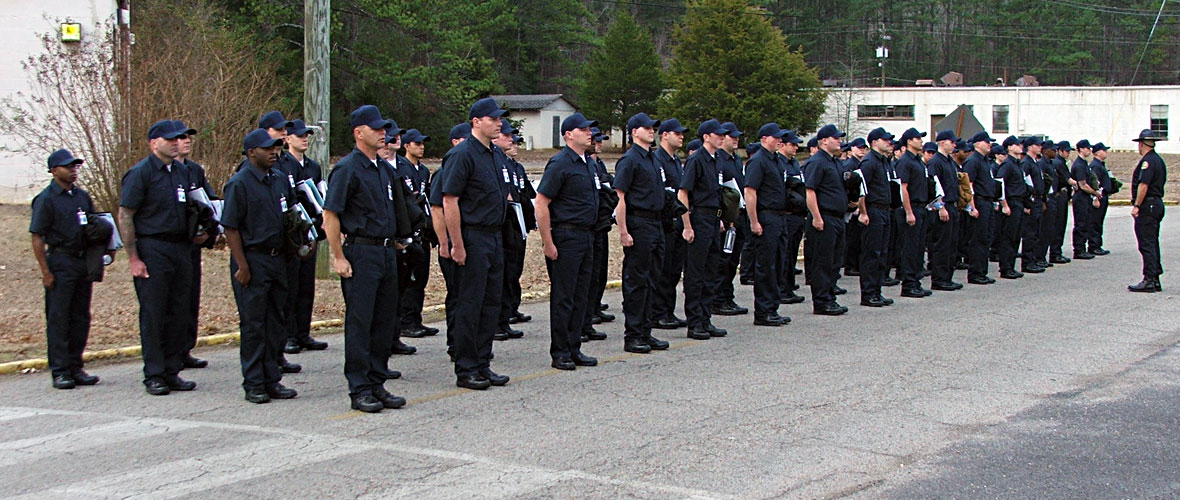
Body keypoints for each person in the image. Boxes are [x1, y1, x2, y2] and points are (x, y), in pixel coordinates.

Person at [322, 105, 409, 413]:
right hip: (361, 251)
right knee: (361, 321)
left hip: (385, 251)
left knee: (385, 320)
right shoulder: (348, 169)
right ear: (359, 132)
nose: (383, 132)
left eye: (384, 127)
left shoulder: (384, 170)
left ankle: (377, 381)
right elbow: (330, 215)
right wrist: (338, 257)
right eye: (376, 128)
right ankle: (359, 388)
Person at [119, 120, 207, 395]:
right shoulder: (141, 173)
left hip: (180, 248)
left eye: (178, 138)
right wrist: (134, 258)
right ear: (154, 143)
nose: (175, 142)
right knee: (155, 313)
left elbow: (196, 206)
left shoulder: (181, 172)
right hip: (153, 248)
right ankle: (154, 374)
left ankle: (172, 369)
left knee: (178, 311)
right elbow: (126, 214)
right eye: (169, 139)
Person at [221, 129, 300, 404]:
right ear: (251, 151)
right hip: (252, 258)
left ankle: (272, 378)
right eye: (268, 148)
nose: (274, 152)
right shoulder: (240, 184)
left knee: (275, 321)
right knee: (254, 324)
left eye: (277, 147)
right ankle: (254, 382)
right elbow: (230, 228)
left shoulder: (278, 180)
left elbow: (291, 214)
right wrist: (242, 265)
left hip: (278, 258)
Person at [441, 97, 511, 389]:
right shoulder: (463, 154)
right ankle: (466, 367)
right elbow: (449, 200)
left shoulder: (494, 154)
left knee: (491, 302)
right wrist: (457, 244)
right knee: (470, 304)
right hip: (473, 235)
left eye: (499, 120)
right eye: (493, 119)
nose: (499, 123)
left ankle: (483, 362)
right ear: (476, 122)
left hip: (494, 236)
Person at [31, 149, 102, 389]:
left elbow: (93, 224)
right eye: (67, 166)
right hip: (60, 261)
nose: (73, 170)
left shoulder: (81, 197)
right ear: (53, 170)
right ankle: (60, 370)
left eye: (75, 166)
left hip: (81, 261)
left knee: (80, 316)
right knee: (59, 317)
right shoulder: (47, 199)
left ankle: (76, 365)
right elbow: (37, 237)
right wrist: (46, 272)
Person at [535, 113, 600, 370]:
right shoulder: (560, 163)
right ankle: (560, 351)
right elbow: (542, 202)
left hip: (587, 234)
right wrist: (547, 241)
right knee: (564, 296)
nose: (589, 133)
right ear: (568, 134)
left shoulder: (589, 164)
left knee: (581, 293)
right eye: (583, 129)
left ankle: (574, 347)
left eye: (590, 129)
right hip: (566, 235)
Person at [613, 113, 671, 352]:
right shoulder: (630, 160)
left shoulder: (653, 160)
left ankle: (646, 331)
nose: (651, 131)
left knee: (652, 279)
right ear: (634, 131)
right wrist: (624, 230)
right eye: (646, 128)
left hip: (656, 224)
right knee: (637, 281)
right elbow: (620, 197)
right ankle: (634, 334)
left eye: (652, 128)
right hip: (640, 223)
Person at [280, 119, 330, 354]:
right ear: (287, 139)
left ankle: (303, 332)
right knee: (291, 285)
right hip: (293, 233)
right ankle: (289, 334)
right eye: (299, 135)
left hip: (311, 230)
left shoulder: (313, 166)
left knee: (306, 286)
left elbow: (321, 196)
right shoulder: (283, 165)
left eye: (306, 135)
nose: (304, 139)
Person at [678, 119, 730, 338]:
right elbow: (683, 194)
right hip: (698, 218)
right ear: (706, 136)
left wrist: (719, 218)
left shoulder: (716, 160)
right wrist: (687, 225)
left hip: (712, 218)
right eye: (717, 134)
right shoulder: (697, 159)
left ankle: (705, 317)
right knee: (696, 273)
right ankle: (694, 322)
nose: (722, 137)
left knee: (711, 272)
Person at [743, 123, 793, 325]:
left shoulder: (776, 161)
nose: (779, 140)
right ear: (764, 138)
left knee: (779, 262)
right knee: (766, 265)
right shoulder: (758, 161)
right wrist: (754, 221)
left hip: (779, 217)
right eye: (775, 137)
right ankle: (763, 311)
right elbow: (750, 192)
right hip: (766, 216)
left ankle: (772, 306)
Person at [172, 121, 212, 371]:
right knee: (171, 300)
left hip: (192, 243)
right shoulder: (155, 172)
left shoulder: (194, 170)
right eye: (182, 137)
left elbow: (208, 200)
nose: (186, 141)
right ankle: (171, 350)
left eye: (189, 137)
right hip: (169, 244)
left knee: (189, 296)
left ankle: (186, 347)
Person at [393, 129, 438, 341]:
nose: (421, 147)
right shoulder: (401, 168)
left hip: (423, 230)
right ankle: (405, 321)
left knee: (421, 278)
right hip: (409, 230)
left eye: (422, 143)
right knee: (409, 279)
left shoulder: (423, 171)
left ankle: (416, 318)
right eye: (416, 143)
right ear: (407, 146)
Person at [805, 124, 851, 315]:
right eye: (836, 138)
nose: (839, 141)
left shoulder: (835, 162)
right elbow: (810, 190)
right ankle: (821, 300)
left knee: (834, 260)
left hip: (837, 217)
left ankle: (830, 296)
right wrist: (816, 216)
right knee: (822, 261)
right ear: (824, 140)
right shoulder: (817, 162)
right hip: (824, 216)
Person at [652, 118, 689, 330]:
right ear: (665, 135)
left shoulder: (675, 161)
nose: (681, 137)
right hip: (664, 221)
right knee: (663, 269)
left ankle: (668, 310)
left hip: (676, 221)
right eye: (678, 133)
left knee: (674, 269)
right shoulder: (658, 160)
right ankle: (658, 312)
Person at [712, 122, 748, 316]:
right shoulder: (718, 160)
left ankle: (727, 296)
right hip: (725, 218)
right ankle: (718, 299)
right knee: (723, 260)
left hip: (738, 215)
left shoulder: (736, 160)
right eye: (731, 136)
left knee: (733, 260)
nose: (735, 139)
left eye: (737, 136)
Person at [857, 128, 897, 306]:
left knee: (882, 252)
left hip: (885, 210)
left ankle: (877, 290)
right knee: (872, 252)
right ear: (874, 142)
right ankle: (868, 293)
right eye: (885, 140)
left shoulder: (884, 162)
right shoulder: (869, 162)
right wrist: (863, 212)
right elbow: (861, 190)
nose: (889, 143)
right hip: (873, 210)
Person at [894, 128, 931, 298]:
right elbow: (903, 188)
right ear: (909, 141)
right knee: (909, 248)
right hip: (911, 207)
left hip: (921, 207)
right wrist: (909, 211)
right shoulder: (905, 161)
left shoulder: (918, 161)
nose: (921, 141)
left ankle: (915, 281)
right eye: (918, 138)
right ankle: (908, 284)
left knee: (918, 248)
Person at [1129, 129, 1167, 292]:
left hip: (1148, 205)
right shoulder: (1158, 160)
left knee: (1146, 243)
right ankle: (1154, 277)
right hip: (1156, 204)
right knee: (1152, 241)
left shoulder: (1148, 162)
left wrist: (1137, 205)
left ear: (1141, 144)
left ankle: (1149, 278)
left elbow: (1144, 185)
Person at [928, 130, 962, 290]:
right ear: (942, 142)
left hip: (953, 206)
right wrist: (940, 207)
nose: (954, 145)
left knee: (951, 243)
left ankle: (948, 276)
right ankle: (939, 278)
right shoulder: (936, 162)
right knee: (942, 244)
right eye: (952, 142)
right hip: (943, 206)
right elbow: (935, 186)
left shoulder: (950, 162)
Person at [777, 131, 808, 304]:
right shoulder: (780, 163)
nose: (796, 147)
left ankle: (788, 286)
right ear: (782, 145)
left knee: (792, 253)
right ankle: (781, 288)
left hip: (797, 214)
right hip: (787, 214)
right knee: (784, 254)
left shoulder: (794, 164)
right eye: (792, 144)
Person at [961, 132, 996, 284]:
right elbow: (969, 186)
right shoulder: (973, 161)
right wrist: (972, 207)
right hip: (979, 201)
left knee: (986, 238)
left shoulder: (986, 161)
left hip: (987, 202)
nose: (989, 144)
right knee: (978, 239)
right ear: (977, 144)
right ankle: (975, 273)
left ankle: (982, 271)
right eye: (986, 142)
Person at [996, 135, 1029, 280]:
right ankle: (1005, 267)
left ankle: (1011, 265)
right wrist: (1004, 204)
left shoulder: (1018, 164)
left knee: (1016, 236)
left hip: (1019, 202)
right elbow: (1000, 184)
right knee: (1008, 236)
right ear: (1009, 147)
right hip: (1011, 202)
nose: (1020, 147)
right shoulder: (1007, 164)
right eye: (1017, 144)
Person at [1019, 137, 1047, 274]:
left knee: (1036, 231)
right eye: (1037, 145)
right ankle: (1027, 261)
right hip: (1031, 200)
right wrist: (1027, 204)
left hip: (1037, 199)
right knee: (1029, 233)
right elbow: (1025, 184)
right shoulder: (1026, 163)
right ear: (1030, 147)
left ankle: (1033, 259)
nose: (1039, 147)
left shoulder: (1035, 162)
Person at [1070, 140, 1099, 260]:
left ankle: (1083, 247)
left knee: (1086, 222)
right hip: (1081, 196)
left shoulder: (1084, 163)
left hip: (1085, 197)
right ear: (1081, 149)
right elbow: (1082, 184)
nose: (1089, 151)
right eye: (1087, 148)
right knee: (1080, 223)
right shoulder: (1079, 165)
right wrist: (1095, 192)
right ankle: (1079, 249)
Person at [1048, 141, 1074, 265]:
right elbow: (1068, 180)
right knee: (1058, 224)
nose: (1068, 153)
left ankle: (1057, 251)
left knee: (1060, 224)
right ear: (1060, 151)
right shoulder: (1058, 163)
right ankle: (1055, 252)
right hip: (1059, 195)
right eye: (1067, 151)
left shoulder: (1061, 162)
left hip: (1062, 195)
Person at [1088, 142, 1112, 256]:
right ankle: (1094, 245)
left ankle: (1097, 244)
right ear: (1098, 152)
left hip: (1103, 196)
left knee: (1099, 221)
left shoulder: (1101, 164)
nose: (1106, 152)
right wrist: (1096, 198)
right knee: (1095, 221)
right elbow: (1095, 183)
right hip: (1099, 196)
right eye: (1104, 150)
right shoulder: (1096, 166)